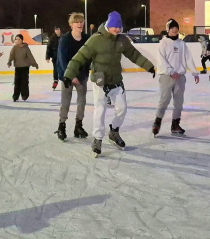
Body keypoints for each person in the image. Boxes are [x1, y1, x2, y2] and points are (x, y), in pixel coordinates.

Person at [63, 11, 156, 157]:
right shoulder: (95, 40)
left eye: (120, 27)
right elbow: (79, 57)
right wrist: (68, 74)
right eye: (115, 27)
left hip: (116, 80)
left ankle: (114, 131)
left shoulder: (122, 40)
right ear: (108, 25)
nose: (118, 30)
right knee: (100, 110)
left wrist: (149, 66)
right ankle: (98, 139)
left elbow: (134, 54)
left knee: (122, 108)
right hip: (100, 81)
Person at [152, 19, 200, 136]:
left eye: (176, 27)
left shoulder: (182, 44)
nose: (175, 30)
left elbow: (188, 58)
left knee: (179, 103)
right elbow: (161, 60)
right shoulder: (163, 43)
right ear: (168, 29)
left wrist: (194, 72)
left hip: (180, 77)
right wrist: (170, 71)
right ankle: (157, 122)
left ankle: (175, 124)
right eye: (172, 28)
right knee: (164, 100)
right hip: (166, 77)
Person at [56, 12, 90, 141]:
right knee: (66, 102)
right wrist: (70, 75)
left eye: (81, 21)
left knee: (82, 101)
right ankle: (61, 126)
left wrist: (86, 73)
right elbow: (62, 59)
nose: (80, 24)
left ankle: (78, 126)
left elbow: (90, 55)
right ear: (71, 25)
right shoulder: (65, 39)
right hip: (67, 75)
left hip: (82, 76)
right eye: (77, 22)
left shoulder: (87, 38)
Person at [8, 34, 39, 101]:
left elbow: (30, 57)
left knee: (24, 82)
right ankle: (15, 96)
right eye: (16, 39)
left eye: (19, 39)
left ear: (22, 40)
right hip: (18, 67)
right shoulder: (14, 48)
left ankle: (24, 95)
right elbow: (11, 56)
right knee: (17, 82)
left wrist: (34, 64)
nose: (17, 40)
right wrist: (9, 62)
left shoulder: (26, 48)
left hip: (25, 67)